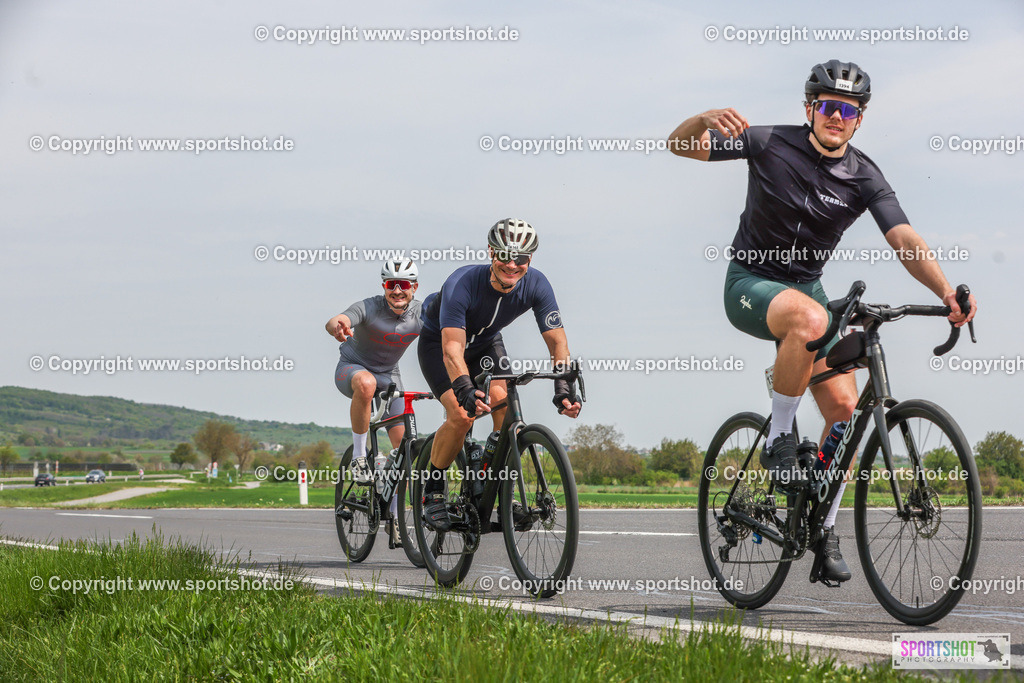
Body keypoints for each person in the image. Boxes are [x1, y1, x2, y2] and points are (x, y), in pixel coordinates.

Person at [668, 59, 977, 583]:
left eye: (849, 110)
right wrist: (701, 119)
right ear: (810, 109)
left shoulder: (864, 175)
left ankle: (823, 529)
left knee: (846, 412)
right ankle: (779, 441)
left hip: (807, 292)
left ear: (859, 120)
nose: (837, 117)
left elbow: (904, 239)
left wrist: (946, 291)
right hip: (750, 283)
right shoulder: (768, 141)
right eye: (829, 106)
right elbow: (680, 146)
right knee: (812, 318)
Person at [417, 218, 581, 531]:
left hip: (487, 344)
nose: (511, 264)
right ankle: (433, 490)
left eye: (520, 258)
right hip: (441, 345)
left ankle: (495, 482)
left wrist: (563, 387)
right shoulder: (461, 283)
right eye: (504, 255)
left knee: (503, 404)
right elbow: (452, 350)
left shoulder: (537, 283)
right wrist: (465, 389)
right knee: (461, 417)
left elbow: (558, 340)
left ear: (530, 259)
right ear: (491, 252)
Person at [326, 258, 422, 547]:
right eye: (391, 285)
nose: (397, 290)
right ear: (384, 286)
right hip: (353, 369)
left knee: (405, 452)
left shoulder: (423, 313)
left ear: (414, 287)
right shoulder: (369, 306)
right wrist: (337, 326)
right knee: (366, 384)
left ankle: (394, 521)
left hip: (389, 377)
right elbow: (336, 320)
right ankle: (358, 455)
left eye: (403, 285)